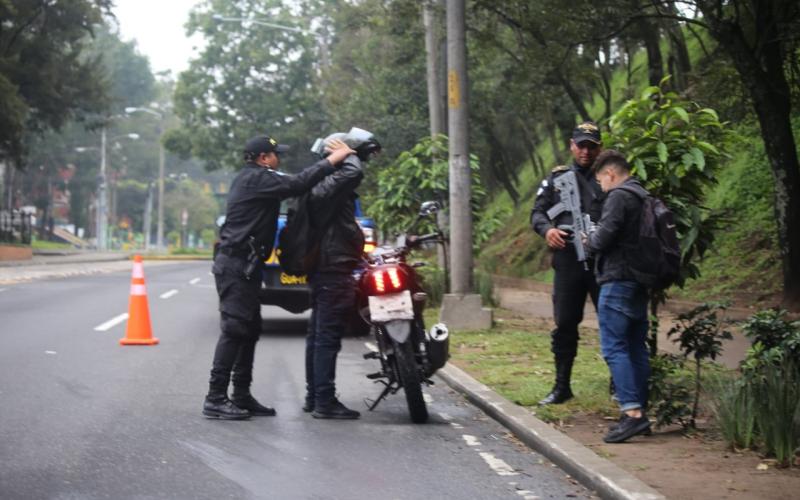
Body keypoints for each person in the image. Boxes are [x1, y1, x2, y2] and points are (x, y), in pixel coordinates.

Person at [203, 134, 354, 420]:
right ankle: (215, 397)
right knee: (235, 329)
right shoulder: (257, 179)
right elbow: (297, 184)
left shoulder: (256, 178)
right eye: (275, 155)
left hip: (245, 267)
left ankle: (241, 394)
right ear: (263, 158)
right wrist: (334, 159)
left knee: (250, 329)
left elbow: (296, 182)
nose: (278, 158)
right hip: (236, 265)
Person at [304, 131, 381, 420]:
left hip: (327, 264)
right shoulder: (329, 183)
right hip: (333, 266)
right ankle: (323, 400)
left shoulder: (321, 182)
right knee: (327, 336)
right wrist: (347, 153)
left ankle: (315, 396)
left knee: (318, 333)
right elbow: (352, 175)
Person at [530, 121, 605, 405]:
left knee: (610, 322)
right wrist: (547, 231)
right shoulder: (557, 179)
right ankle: (562, 386)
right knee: (564, 324)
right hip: (568, 260)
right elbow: (537, 213)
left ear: (600, 148)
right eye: (581, 145)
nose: (586, 151)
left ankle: (617, 383)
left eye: (592, 146)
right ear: (572, 146)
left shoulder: (608, 176)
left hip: (601, 260)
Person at [585, 149, 652, 443]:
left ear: (610, 174)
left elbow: (603, 238)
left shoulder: (618, 196)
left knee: (614, 347)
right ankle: (640, 413)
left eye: (601, 181)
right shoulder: (643, 195)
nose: (601, 187)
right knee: (636, 347)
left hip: (618, 280)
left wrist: (588, 238)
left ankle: (632, 414)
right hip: (640, 281)